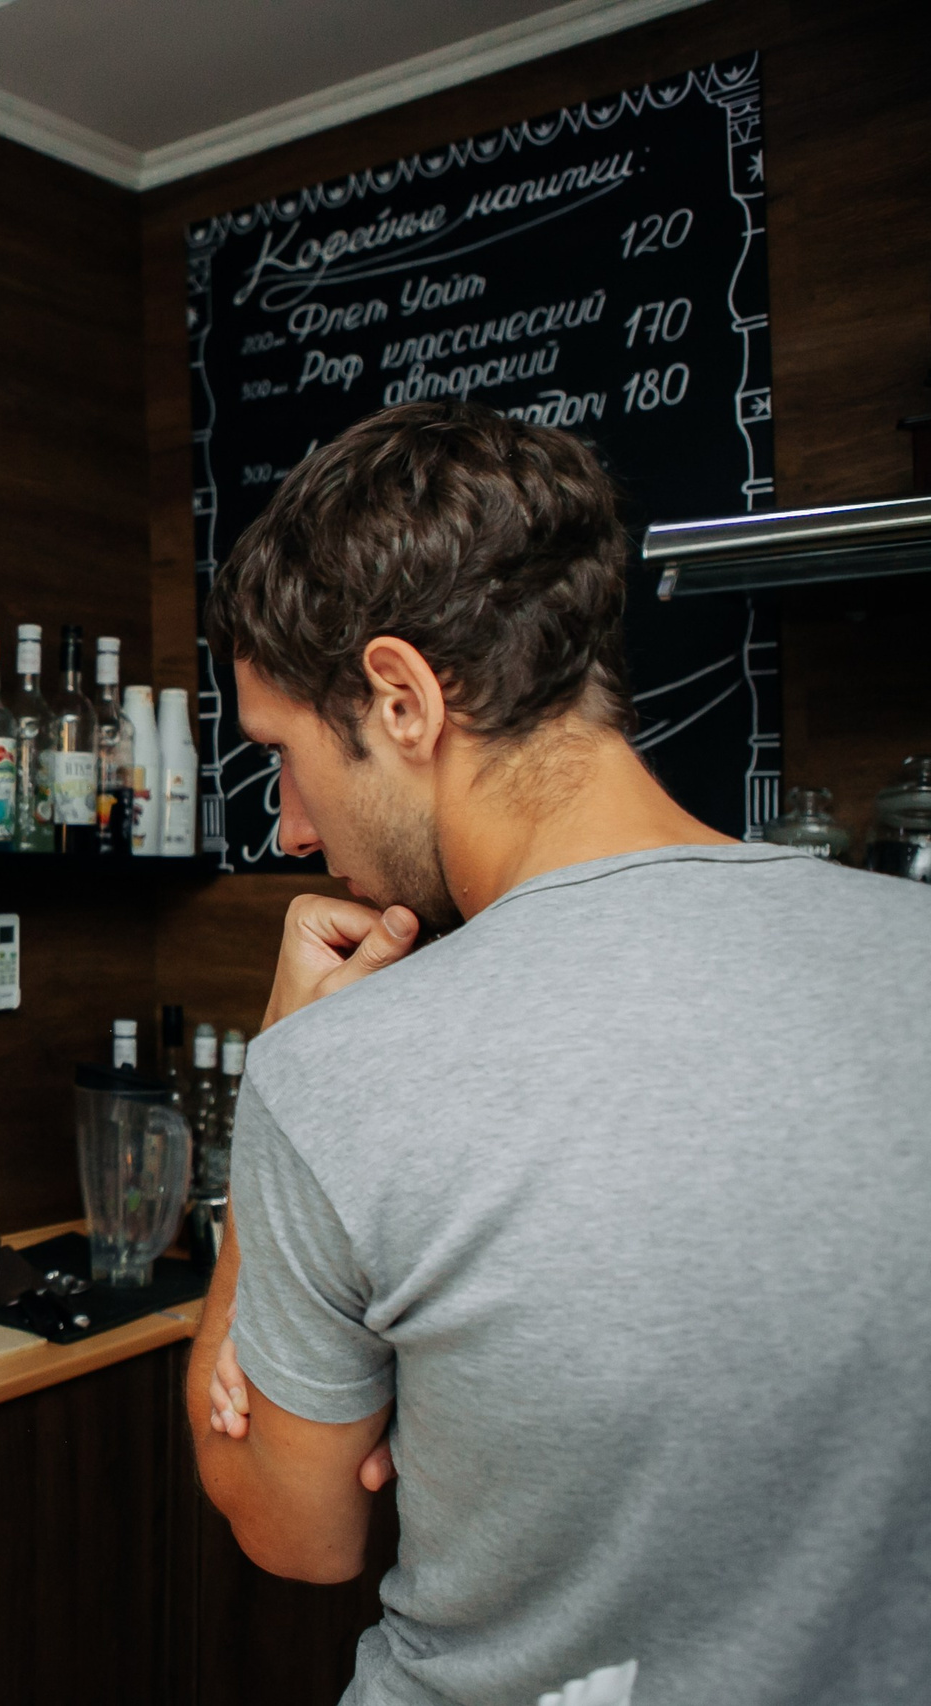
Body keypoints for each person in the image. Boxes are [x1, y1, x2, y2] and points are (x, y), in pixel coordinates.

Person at [187, 400, 931, 1705]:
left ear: (404, 698)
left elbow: (291, 1526)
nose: (293, 828)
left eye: (286, 759)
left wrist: (287, 1076)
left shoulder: (339, 1073)